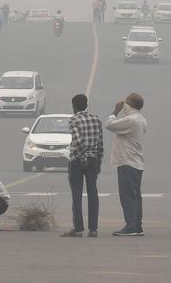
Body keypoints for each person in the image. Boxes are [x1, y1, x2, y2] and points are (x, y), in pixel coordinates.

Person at [61, 93, 104, 238]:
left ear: (74, 106)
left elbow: (78, 142)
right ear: (86, 105)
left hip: (77, 160)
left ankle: (78, 229)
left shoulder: (73, 120)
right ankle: (93, 229)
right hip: (93, 160)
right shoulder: (96, 119)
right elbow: (100, 144)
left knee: (77, 195)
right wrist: (98, 163)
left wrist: (83, 158)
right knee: (93, 194)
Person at [105, 92, 146, 236]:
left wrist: (115, 111)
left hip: (127, 162)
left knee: (127, 196)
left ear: (131, 105)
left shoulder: (131, 120)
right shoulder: (140, 119)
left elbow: (109, 125)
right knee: (135, 196)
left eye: (126, 102)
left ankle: (130, 226)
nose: (124, 104)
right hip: (136, 162)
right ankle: (137, 225)